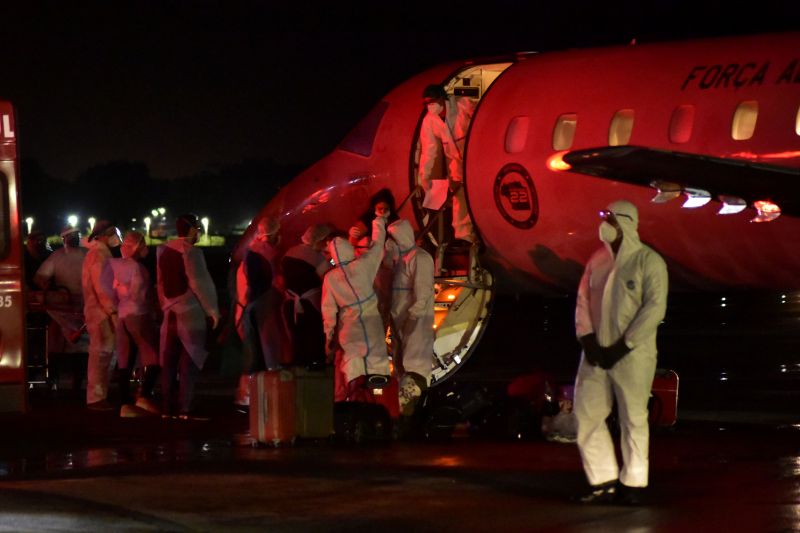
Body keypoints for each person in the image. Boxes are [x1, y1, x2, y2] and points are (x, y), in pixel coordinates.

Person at [573, 200, 668, 505]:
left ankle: (635, 483)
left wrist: (623, 346)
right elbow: (583, 303)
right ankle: (603, 480)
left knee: (633, 418)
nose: (604, 224)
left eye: (609, 218)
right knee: (587, 414)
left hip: (633, 356)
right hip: (596, 354)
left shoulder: (648, 262)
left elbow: (654, 309)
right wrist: (588, 340)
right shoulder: (597, 261)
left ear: (625, 222)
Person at [157, 214, 220, 419]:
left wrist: (164, 305)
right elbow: (200, 284)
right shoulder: (192, 252)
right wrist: (213, 311)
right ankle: (185, 406)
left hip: (169, 313)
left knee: (168, 363)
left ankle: (166, 407)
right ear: (192, 229)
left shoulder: (163, 250)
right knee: (189, 361)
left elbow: (160, 283)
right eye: (197, 228)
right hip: (189, 312)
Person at [322, 213, 389, 401]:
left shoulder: (330, 278)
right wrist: (378, 223)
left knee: (352, 363)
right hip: (372, 323)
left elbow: (328, 311)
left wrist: (329, 336)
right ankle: (379, 401)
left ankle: (354, 401)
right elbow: (377, 246)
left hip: (349, 327)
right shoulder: (363, 265)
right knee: (377, 363)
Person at [232, 217, 290, 410]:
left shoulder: (252, 252)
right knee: (261, 353)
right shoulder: (265, 254)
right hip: (258, 309)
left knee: (253, 354)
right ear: (273, 234)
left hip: (247, 308)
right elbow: (266, 284)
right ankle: (253, 398)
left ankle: (248, 397)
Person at [109, 231, 161, 417]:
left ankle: (125, 403)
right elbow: (141, 295)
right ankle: (144, 396)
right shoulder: (138, 268)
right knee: (153, 356)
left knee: (125, 360)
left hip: (122, 315)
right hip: (138, 315)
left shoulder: (114, 266)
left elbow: (111, 294)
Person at [386, 219, 435, 417]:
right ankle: (403, 410)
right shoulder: (402, 260)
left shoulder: (420, 258)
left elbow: (422, 290)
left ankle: (414, 408)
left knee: (414, 361)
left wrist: (414, 315)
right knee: (401, 364)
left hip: (415, 318)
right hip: (400, 317)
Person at [417, 84, 476, 245]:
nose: (430, 105)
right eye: (426, 103)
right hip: (454, 161)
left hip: (473, 154)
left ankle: (479, 228)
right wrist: (425, 176)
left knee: (476, 190)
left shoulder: (461, 104)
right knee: (458, 194)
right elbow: (429, 151)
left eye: (433, 101)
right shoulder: (429, 121)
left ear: (442, 98)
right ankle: (464, 234)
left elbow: (480, 116)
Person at [81, 220, 122, 411]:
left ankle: (99, 396)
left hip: (99, 312)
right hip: (101, 314)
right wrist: (113, 311)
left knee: (104, 355)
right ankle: (96, 398)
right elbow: (102, 288)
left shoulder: (98, 253)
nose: (115, 236)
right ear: (102, 235)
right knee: (101, 355)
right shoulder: (99, 255)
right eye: (112, 232)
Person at [282, 223, 333, 369]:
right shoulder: (316, 258)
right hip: (311, 306)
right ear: (318, 240)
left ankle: (299, 371)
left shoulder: (289, 253)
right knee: (313, 340)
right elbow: (329, 279)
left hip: (291, 304)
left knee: (298, 340)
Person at [34, 226, 88, 354]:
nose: (74, 238)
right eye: (71, 235)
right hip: (65, 303)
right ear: (64, 238)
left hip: (87, 302)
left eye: (76, 234)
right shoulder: (57, 256)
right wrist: (45, 284)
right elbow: (40, 278)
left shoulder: (89, 253)